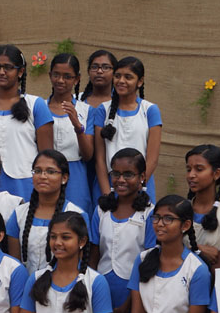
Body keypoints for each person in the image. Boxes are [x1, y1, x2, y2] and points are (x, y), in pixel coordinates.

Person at [88, 148, 156, 313]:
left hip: (133, 292)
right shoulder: (102, 209)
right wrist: (90, 290)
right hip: (102, 288)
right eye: (115, 174)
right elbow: (94, 254)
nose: (121, 180)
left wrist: (126, 307)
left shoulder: (149, 213)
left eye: (129, 174)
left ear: (142, 177)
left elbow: (148, 262)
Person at [0, 44, 54, 199]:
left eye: (8, 67)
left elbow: (47, 157)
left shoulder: (36, 105)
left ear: (20, 72)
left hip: (27, 185)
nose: (1, 72)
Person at [90, 56, 163, 202]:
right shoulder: (103, 110)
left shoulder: (150, 110)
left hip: (140, 187)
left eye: (128, 77)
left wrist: (138, 188)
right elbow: (100, 159)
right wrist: (107, 194)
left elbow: (152, 159)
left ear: (140, 81)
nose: (121, 81)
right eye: (117, 76)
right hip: (108, 185)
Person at [6, 150, 84, 275]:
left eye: (50, 172)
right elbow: (14, 265)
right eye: (37, 171)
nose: (42, 176)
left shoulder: (76, 214)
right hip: (26, 284)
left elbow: (80, 262)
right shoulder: (18, 214)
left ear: (64, 178)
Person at [47, 53, 93, 212]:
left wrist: (77, 125)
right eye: (56, 75)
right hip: (46, 171)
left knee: (75, 217)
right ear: (50, 75)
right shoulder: (39, 107)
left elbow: (88, 155)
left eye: (67, 76)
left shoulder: (86, 110)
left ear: (77, 79)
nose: (60, 80)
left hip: (76, 175)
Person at [185, 144, 220, 270]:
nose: (191, 175)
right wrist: (197, 249)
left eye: (199, 169)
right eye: (188, 169)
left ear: (216, 174)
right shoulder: (180, 209)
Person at [79, 50, 117, 210]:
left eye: (106, 67)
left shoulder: (120, 103)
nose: (99, 71)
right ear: (88, 71)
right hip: (81, 167)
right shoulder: (76, 101)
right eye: (95, 67)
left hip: (108, 168)